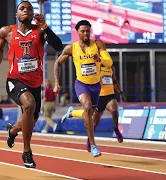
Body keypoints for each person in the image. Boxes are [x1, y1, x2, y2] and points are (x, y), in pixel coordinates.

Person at [0, 0, 63, 168]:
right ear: (16, 14)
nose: (26, 11)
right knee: (28, 104)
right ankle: (27, 152)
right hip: (15, 80)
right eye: (22, 8)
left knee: (30, 120)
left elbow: (58, 46)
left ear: (32, 14)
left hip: (35, 84)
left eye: (29, 9)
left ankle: (13, 131)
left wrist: (44, 25)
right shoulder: (7, 31)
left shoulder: (40, 31)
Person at [53, 20, 113, 157]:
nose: (86, 33)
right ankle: (93, 145)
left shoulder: (98, 44)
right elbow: (57, 62)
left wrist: (100, 59)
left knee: (89, 114)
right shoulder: (71, 48)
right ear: (77, 32)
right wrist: (57, 82)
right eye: (82, 31)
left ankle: (72, 113)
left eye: (87, 31)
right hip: (81, 84)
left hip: (96, 85)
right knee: (87, 107)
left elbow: (109, 62)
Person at [61, 65, 126, 152]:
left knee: (114, 111)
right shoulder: (95, 65)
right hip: (99, 97)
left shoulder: (111, 67)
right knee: (94, 123)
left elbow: (114, 81)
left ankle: (116, 128)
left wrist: (121, 92)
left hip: (110, 95)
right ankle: (89, 140)